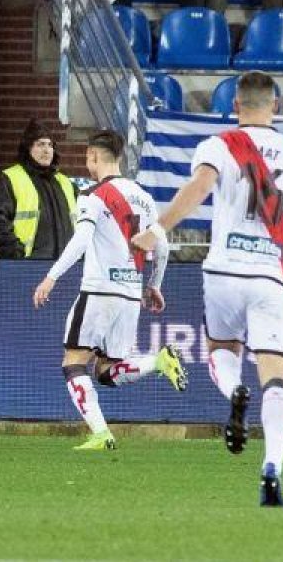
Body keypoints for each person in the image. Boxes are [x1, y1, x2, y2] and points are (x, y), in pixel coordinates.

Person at [131, 71, 283, 506]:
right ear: (276, 107)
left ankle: (233, 391)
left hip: (223, 272)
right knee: (276, 375)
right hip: (273, 277)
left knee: (222, 347)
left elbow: (198, 189)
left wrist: (155, 230)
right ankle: (272, 466)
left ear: (236, 105)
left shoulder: (218, 145)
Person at [32, 130, 187, 451]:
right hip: (130, 295)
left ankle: (101, 434)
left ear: (93, 156)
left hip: (100, 290)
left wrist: (52, 276)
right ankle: (157, 362)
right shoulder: (144, 197)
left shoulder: (93, 194)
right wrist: (153, 286)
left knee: (73, 362)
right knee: (106, 371)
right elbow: (162, 248)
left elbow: (81, 240)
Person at [0, 119, 78, 260]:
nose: (46, 150)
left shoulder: (66, 183)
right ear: (28, 148)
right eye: (40, 144)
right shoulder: (7, 180)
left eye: (50, 145)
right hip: (26, 268)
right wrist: (16, 256)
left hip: (63, 268)